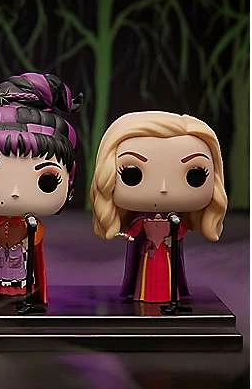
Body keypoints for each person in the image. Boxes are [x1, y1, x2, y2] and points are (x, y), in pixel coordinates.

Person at [0, 72, 82, 310]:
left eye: (47, 180)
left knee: (19, 272)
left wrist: (30, 234)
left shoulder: (28, 222)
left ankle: (22, 293)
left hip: (18, 253)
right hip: (0, 251)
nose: (14, 193)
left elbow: (38, 235)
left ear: (70, 178)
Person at [90, 111, 227, 303]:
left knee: (167, 276)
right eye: (132, 174)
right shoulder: (141, 221)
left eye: (194, 175)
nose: (163, 188)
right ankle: (144, 295)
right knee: (146, 276)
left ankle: (169, 296)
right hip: (149, 252)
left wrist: (171, 239)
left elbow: (179, 232)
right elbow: (132, 233)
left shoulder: (175, 221)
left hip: (165, 253)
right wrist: (125, 235)